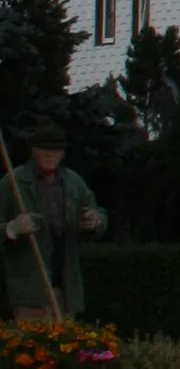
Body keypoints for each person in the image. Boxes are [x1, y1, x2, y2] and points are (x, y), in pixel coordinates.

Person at [3, 119, 107, 320]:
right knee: (34, 350)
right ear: (33, 151)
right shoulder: (13, 184)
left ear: (63, 153)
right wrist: (12, 229)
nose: (50, 154)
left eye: (56, 149)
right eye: (44, 149)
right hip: (31, 293)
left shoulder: (75, 183)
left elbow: (99, 214)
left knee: (66, 349)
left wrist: (95, 221)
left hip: (67, 290)